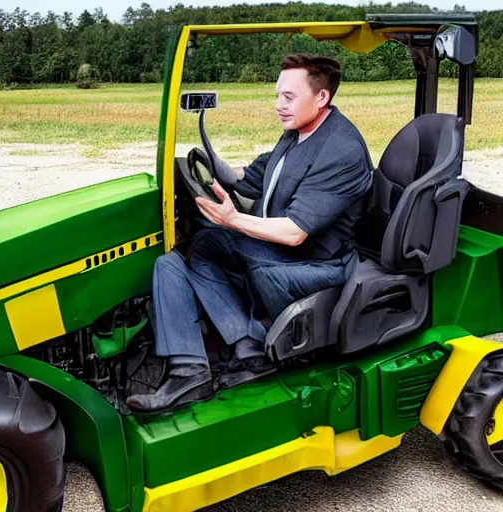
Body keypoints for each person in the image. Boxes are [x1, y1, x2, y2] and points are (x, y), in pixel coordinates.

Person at [126, 53, 374, 412]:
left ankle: (250, 341)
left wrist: (232, 220)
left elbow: (294, 233)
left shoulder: (342, 150)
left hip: (312, 264)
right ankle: (189, 370)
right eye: (278, 95)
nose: (279, 105)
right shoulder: (297, 132)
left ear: (321, 98)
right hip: (276, 251)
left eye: (288, 97)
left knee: (211, 242)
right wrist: (206, 162)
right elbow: (250, 178)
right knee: (173, 263)